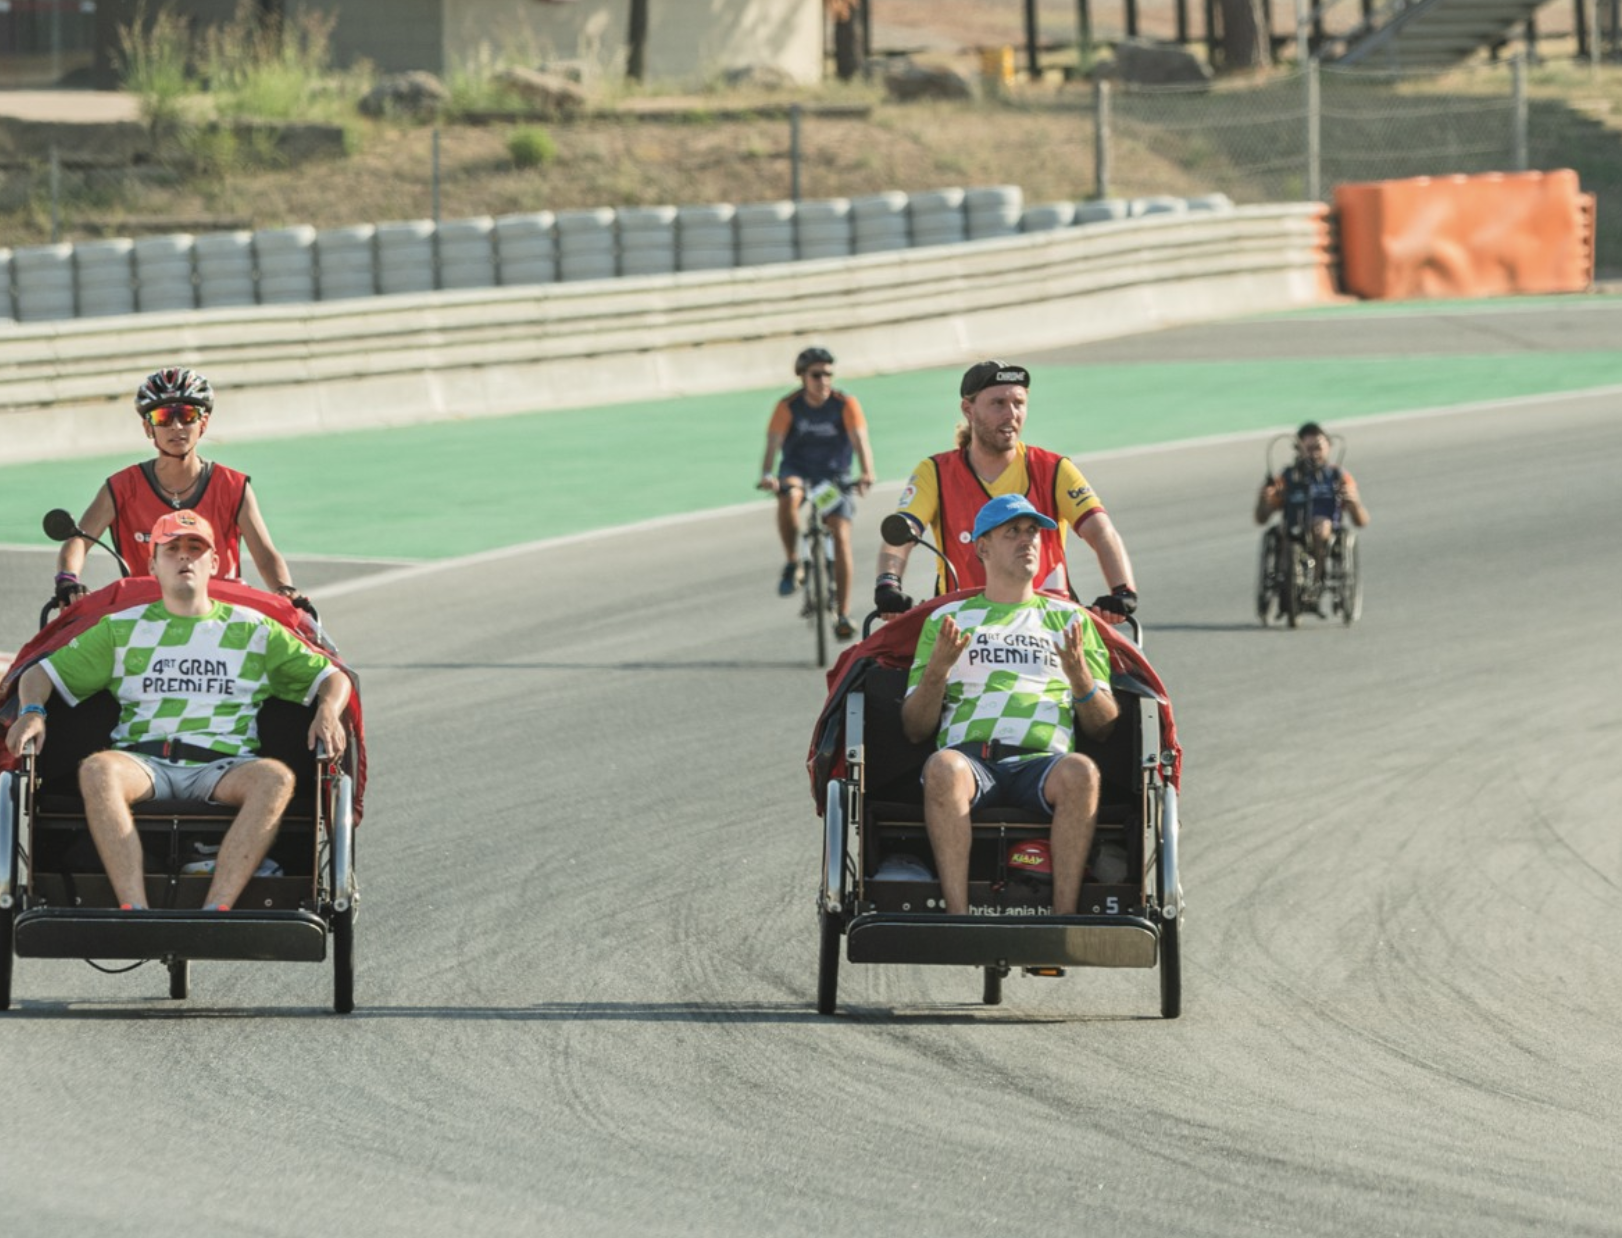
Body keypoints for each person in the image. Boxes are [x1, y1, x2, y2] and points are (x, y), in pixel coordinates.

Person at [6, 510, 349, 913]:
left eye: (195, 548)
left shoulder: (255, 629)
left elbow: (333, 677)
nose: (184, 557)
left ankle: (216, 911)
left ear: (214, 564)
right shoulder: (122, 628)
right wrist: (31, 710)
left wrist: (328, 709)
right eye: (172, 549)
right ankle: (133, 909)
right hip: (145, 760)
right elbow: (41, 673)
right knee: (98, 770)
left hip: (225, 765)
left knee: (276, 779)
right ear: (153, 564)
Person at [900, 494, 1119, 917]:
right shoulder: (949, 619)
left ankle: (1063, 921)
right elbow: (913, 728)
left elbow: (1105, 726)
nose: (1028, 541)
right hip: (971, 762)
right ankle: (958, 919)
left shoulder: (1071, 621)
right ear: (982, 546)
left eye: (1033, 532)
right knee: (943, 768)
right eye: (1012, 532)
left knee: (1083, 772)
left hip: (1043, 765)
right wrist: (936, 673)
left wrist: (1080, 678)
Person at [875, 360, 1137, 623]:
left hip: (1049, 625)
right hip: (964, 628)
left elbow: (1101, 531)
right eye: (998, 403)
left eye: (1019, 403)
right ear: (968, 409)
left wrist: (1122, 590)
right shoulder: (935, 471)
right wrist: (889, 583)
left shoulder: (1054, 468)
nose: (1011, 413)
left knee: (1125, 665)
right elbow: (901, 534)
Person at [52, 367, 306, 610]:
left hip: (223, 621)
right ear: (148, 427)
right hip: (144, 619)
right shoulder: (120, 488)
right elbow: (79, 541)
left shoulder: (233, 486)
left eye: (186, 416)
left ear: (203, 423)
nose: (176, 427)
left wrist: (285, 589)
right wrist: (67, 579)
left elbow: (264, 554)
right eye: (163, 417)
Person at [758, 346, 877, 641]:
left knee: (840, 534)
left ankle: (844, 613)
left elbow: (860, 439)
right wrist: (767, 475)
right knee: (789, 497)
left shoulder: (844, 403)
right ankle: (793, 561)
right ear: (802, 377)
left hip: (833, 478)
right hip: (798, 471)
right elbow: (773, 444)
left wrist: (866, 472)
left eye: (828, 374)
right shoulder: (788, 406)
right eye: (816, 375)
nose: (823, 380)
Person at [1254, 420, 1370, 570]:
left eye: (1318, 448)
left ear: (1328, 447)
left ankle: (1316, 571)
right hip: (1293, 529)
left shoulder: (1338, 476)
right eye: (1309, 449)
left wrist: (1354, 504)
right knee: (1284, 532)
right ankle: (1289, 577)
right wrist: (1264, 500)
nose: (1314, 454)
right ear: (1299, 450)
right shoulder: (1287, 477)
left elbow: (1361, 521)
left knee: (1321, 528)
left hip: (1324, 530)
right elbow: (1261, 518)